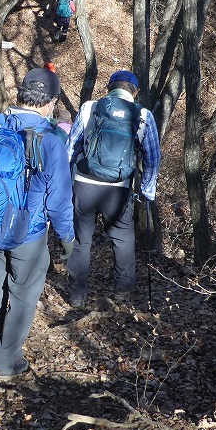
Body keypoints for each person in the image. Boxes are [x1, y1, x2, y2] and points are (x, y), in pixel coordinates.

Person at [0, 67, 75, 379]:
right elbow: (59, 200)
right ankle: (6, 359)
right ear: (50, 102)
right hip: (28, 232)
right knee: (23, 293)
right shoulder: (51, 141)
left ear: (21, 94)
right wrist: (67, 237)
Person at [65, 70, 161, 310]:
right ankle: (123, 292)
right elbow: (152, 158)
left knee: (81, 240)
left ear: (109, 88)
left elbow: (70, 147)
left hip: (85, 184)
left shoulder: (89, 108)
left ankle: (77, 295)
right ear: (136, 92)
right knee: (122, 238)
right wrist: (147, 189)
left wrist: (66, 180)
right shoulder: (144, 116)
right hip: (119, 189)